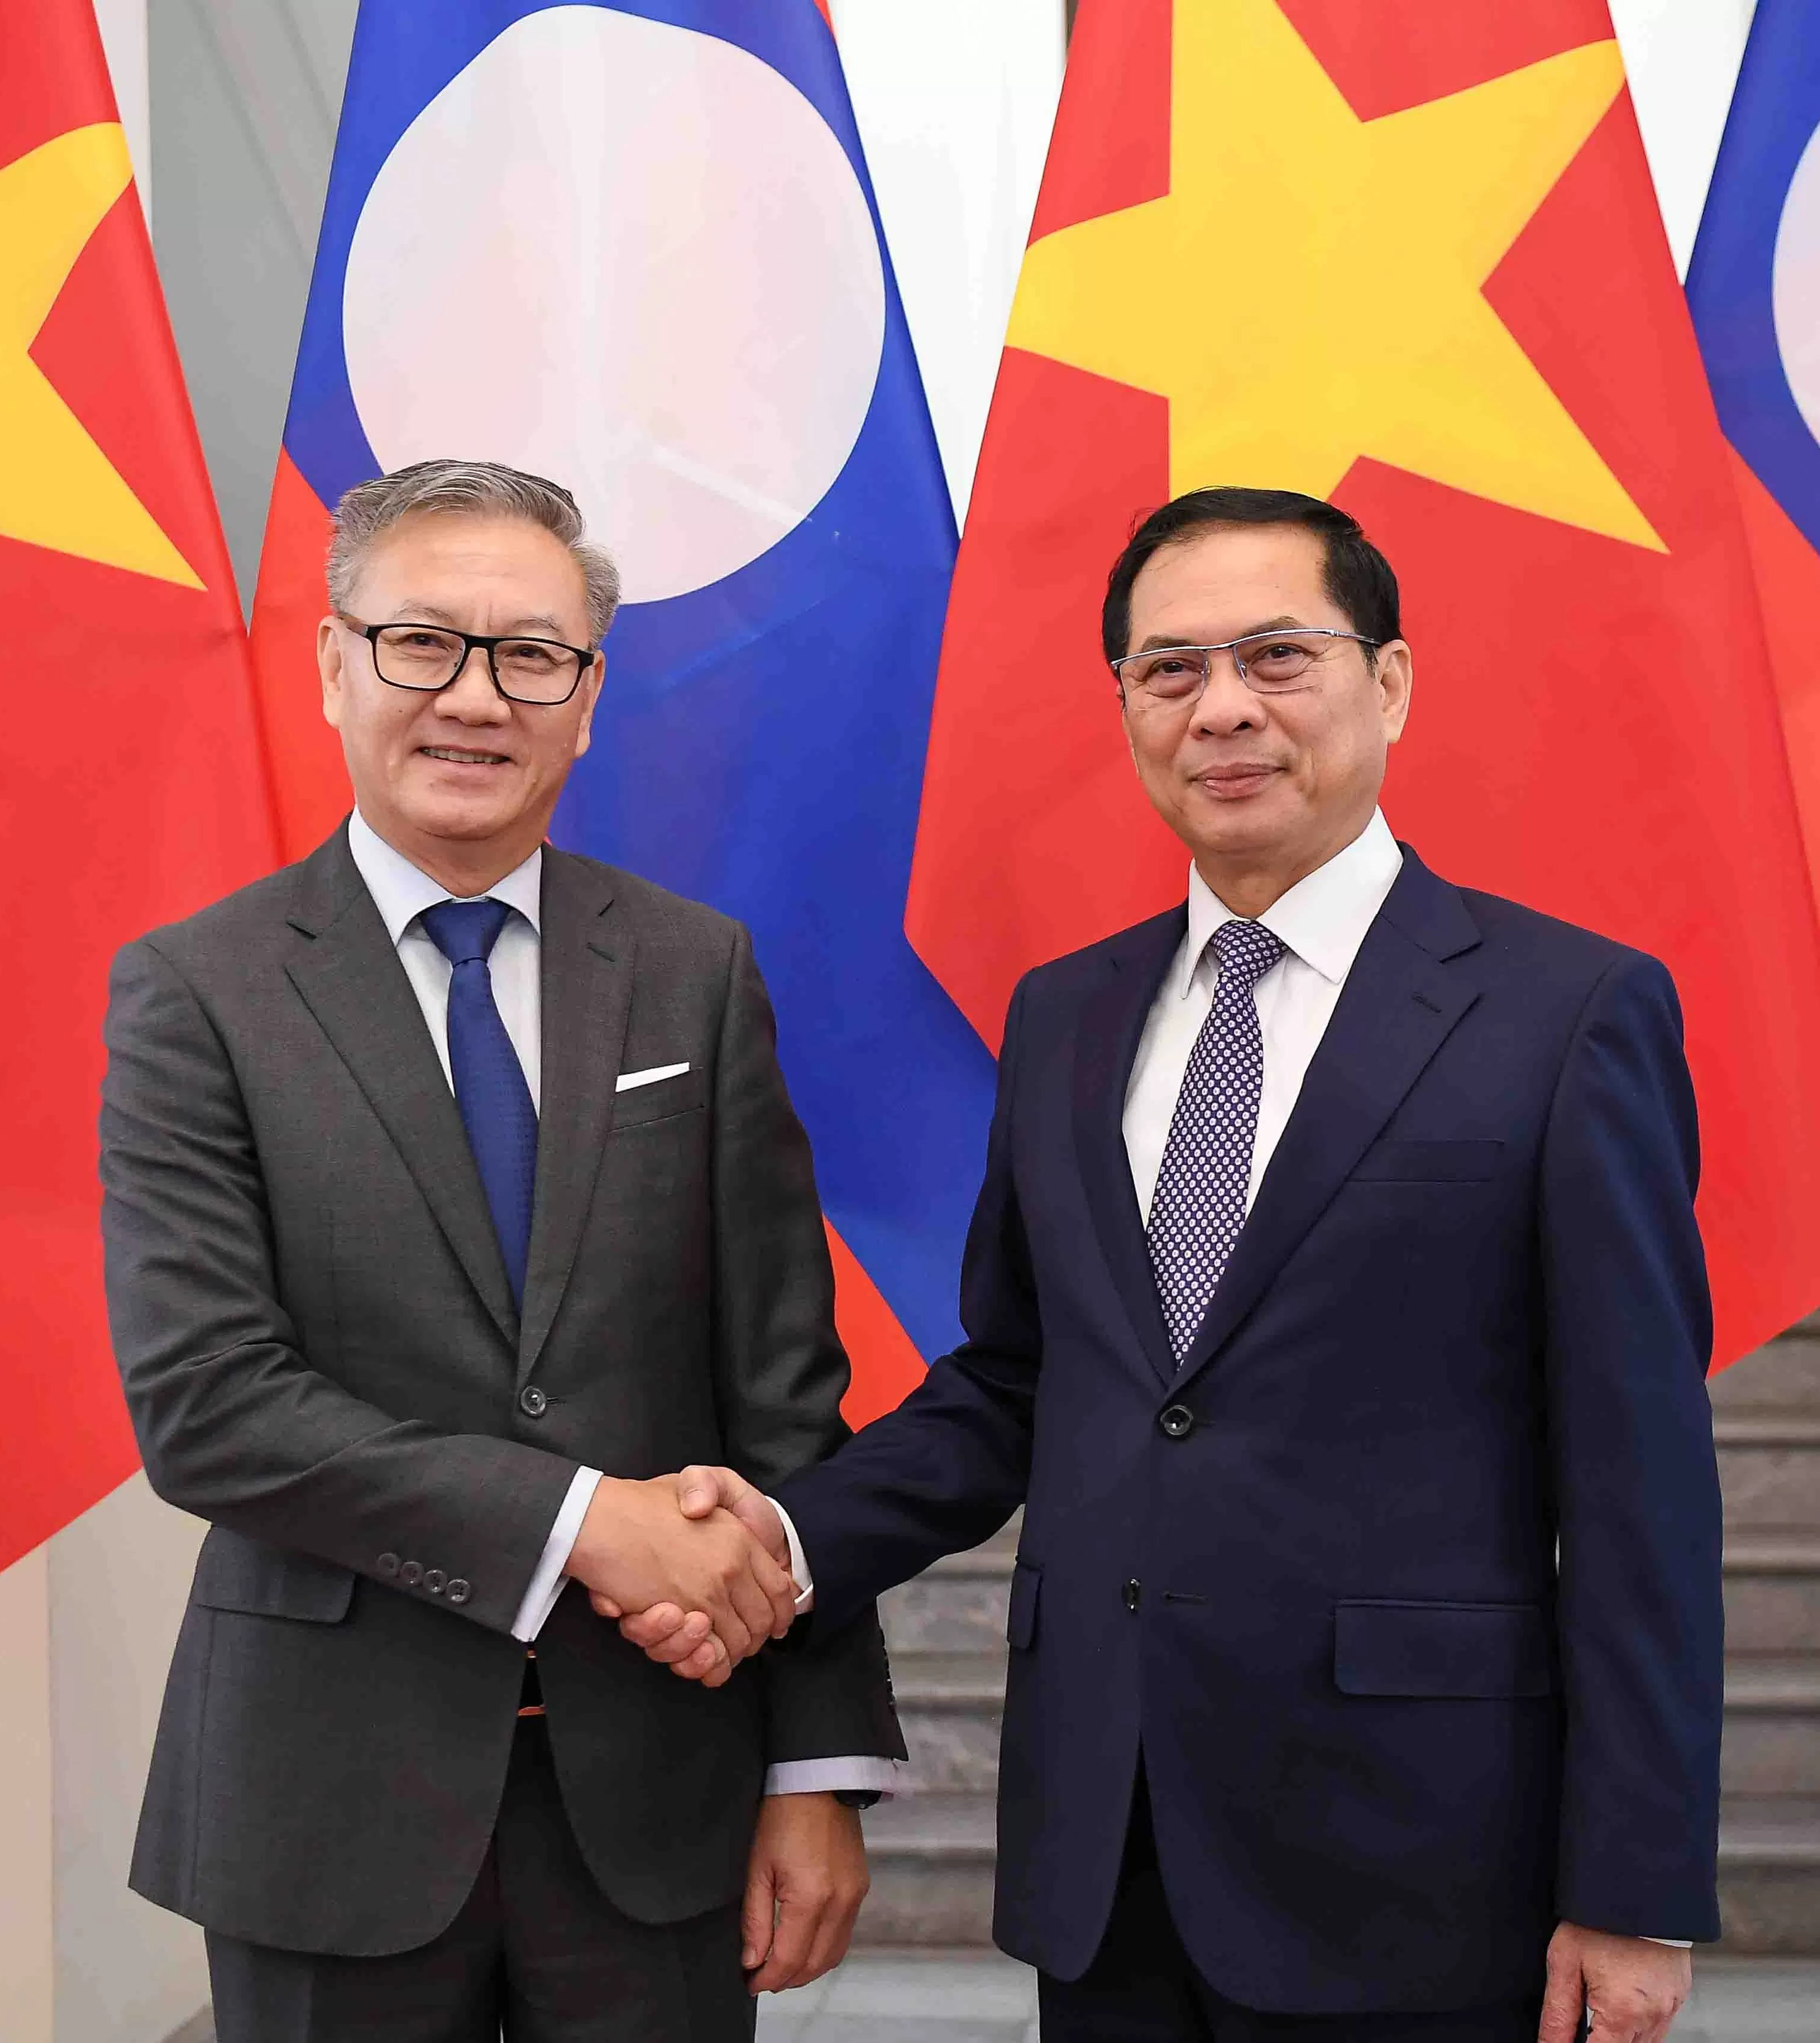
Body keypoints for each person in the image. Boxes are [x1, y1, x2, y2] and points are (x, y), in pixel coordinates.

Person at [611, 488, 1723, 2041]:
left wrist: (1636, 1881)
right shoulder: (1067, 1016)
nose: (1222, 709)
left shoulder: (1564, 1013)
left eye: (1277, 656)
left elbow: (1640, 1480)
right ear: (1125, 704)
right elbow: (1013, 1382)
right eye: (1168, 669)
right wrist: (781, 1548)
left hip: (1419, 1861)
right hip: (1107, 1852)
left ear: (1388, 683)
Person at [100, 458, 903, 2043]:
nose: (474, 696)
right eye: (422, 642)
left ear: (587, 699)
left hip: (664, 1800)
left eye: (530, 654)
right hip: (324, 1800)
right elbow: (208, 1404)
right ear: (333, 665)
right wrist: (586, 1522)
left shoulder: (689, 973)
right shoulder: (198, 993)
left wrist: (818, 1764)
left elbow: (785, 1397)